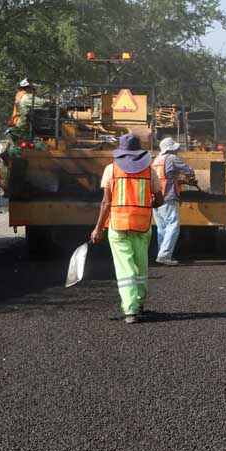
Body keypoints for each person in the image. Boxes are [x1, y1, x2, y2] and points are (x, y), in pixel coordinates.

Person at [90, 134, 163, 324]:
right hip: (142, 226)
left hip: (118, 226)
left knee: (125, 269)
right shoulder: (149, 171)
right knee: (141, 266)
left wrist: (98, 228)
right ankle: (139, 302)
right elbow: (160, 199)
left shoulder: (111, 170)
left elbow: (106, 203)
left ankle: (130, 310)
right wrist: (147, 204)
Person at [152, 137, 195, 266]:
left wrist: (179, 180)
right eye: (176, 149)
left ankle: (162, 253)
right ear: (170, 149)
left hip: (156, 198)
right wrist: (190, 176)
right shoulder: (171, 158)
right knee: (172, 226)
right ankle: (164, 255)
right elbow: (188, 170)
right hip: (168, 197)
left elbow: (165, 177)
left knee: (162, 228)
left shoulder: (156, 160)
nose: (177, 151)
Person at [8, 78, 36, 143]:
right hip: (22, 126)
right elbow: (42, 103)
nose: (32, 91)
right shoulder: (26, 97)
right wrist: (49, 102)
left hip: (17, 124)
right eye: (32, 88)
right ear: (27, 88)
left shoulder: (19, 95)